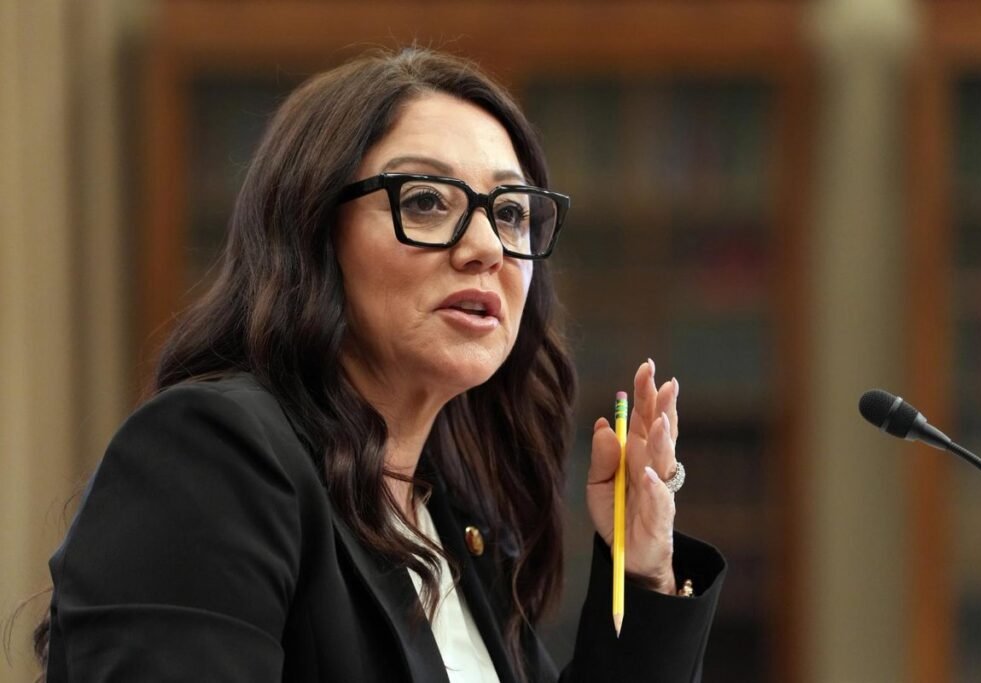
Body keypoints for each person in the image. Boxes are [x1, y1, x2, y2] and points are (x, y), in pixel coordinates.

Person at [39, 47, 725, 682]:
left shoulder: (456, 524)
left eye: (512, 212)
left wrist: (643, 569)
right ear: (313, 231)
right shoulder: (214, 455)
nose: (487, 246)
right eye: (426, 201)